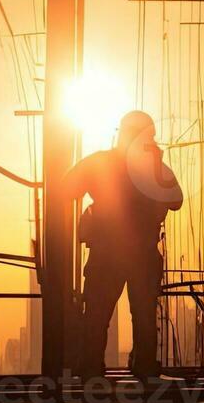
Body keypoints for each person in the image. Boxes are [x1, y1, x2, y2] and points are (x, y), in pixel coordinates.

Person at [61, 110, 184, 378]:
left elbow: (67, 187)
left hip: (107, 253)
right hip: (142, 255)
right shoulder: (153, 169)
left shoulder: (100, 163)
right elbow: (176, 200)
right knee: (143, 316)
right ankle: (144, 367)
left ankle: (92, 368)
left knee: (97, 313)